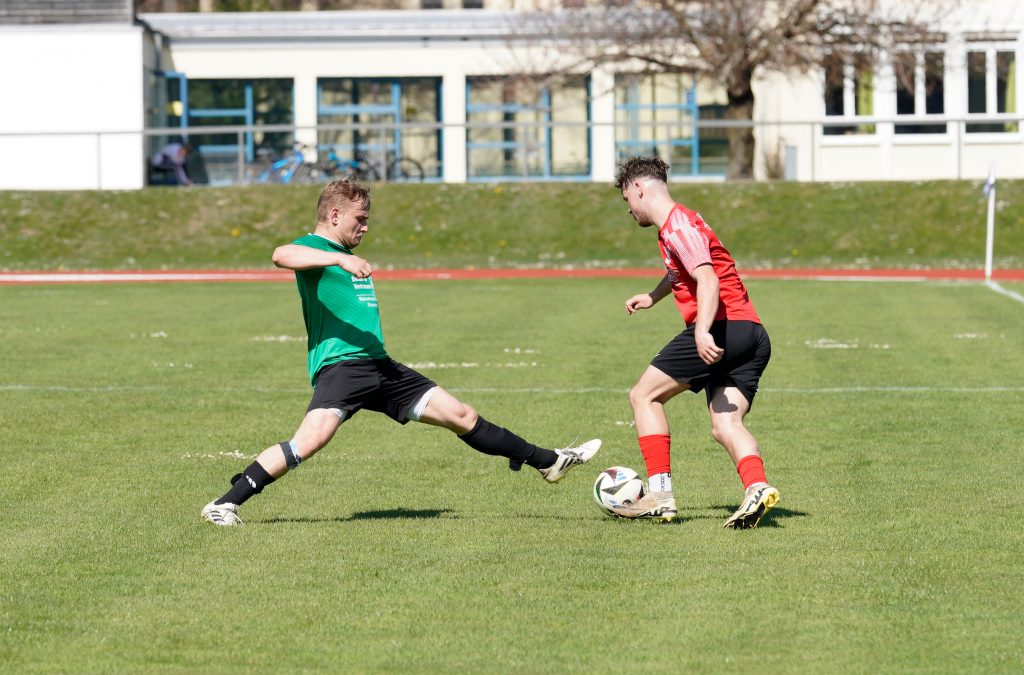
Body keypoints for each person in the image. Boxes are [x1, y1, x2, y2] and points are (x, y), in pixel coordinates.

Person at [201, 179, 600, 526]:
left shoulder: (344, 253)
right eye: (360, 219)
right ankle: (224, 504)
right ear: (335, 214)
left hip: (380, 365)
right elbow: (280, 255)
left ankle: (548, 462)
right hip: (343, 367)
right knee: (309, 441)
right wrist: (340, 257)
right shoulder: (314, 248)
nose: (366, 226)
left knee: (461, 415)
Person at [609, 156, 779, 528]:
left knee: (643, 396)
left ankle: (659, 494)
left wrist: (702, 331)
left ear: (639, 188)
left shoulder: (677, 225)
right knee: (725, 423)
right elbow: (685, 270)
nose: (629, 210)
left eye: (627, 200)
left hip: (722, 326)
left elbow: (708, 279)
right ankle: (757, 488)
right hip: (751, 332)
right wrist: (653, 296)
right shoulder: (684, 220)